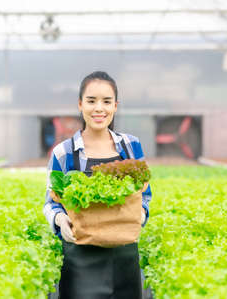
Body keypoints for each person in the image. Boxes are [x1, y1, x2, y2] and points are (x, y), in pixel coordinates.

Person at [44, 71, 153, 299]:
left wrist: (141, 214)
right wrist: (60, 220)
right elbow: (50, 202)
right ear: (80, 104)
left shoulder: (132, 146)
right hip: (81, 258)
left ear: (115, 106)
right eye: (91, 101)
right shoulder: (63, 152)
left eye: (106, 101)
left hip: (125, 255)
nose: (98, 109)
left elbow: (145, 194)